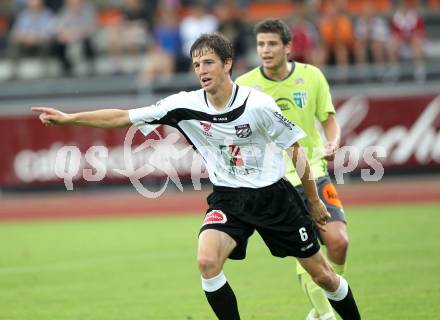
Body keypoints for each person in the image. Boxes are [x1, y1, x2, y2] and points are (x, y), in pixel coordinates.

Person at [32, 33, 360, 320]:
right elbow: (122, 117)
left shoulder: (258, 104)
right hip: (230, 199)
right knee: (206, 261)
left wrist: (314, 202)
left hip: (274, 196)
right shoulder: (184, 104)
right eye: (196, 64)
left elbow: (296, 152)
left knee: (323, 276)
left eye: (208, 63)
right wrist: (69, 118)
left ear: (227, 64)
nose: (201, 71)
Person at [236, 19, 350, 320]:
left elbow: (328, 119)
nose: (265, 50)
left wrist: (333, 141)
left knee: (338, 243)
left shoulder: (312, 77)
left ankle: (323, 302)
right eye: (261, 44)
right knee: (309, 247)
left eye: (272, 44)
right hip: (277, 180)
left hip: (313, 170)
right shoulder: (245, 85)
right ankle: (328, 314)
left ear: (288, 47)